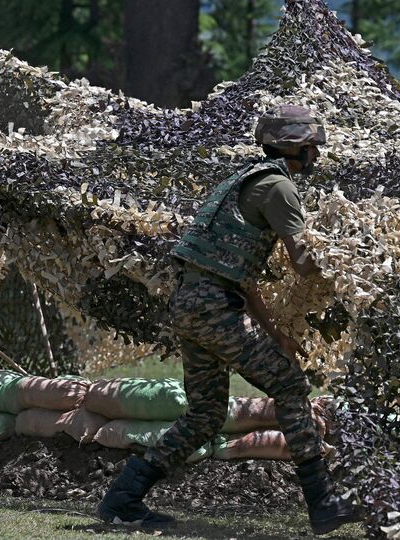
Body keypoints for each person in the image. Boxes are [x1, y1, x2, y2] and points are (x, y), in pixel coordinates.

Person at [97, 105, 362, 534]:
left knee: (204, 415)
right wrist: (355, 255)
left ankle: (123, 499)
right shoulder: (278, 187)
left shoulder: (240, 180)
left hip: (193, 304)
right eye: (313, 146)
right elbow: (303, 263)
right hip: (213, 309)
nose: (317, 155)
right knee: (290, 384)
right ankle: (322, 502)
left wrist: (276, 335)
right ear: (298, 146)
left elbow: (243, 276)